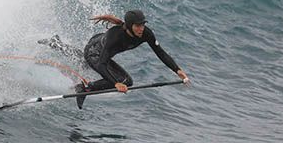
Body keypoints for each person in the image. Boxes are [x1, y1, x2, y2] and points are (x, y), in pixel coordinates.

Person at [42, 10, 189, 109]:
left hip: (100, 45)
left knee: (83, 62)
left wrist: (177, 70)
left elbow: (160, 53)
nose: (141, 29)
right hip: (95, 51)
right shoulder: (115, 36)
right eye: (138, 26)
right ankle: (85, 88)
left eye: (143, 25)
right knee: (122, 79)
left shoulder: (146, 34)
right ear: (130, 26)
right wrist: (116, 83)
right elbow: (101, 64)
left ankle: (57, 44)